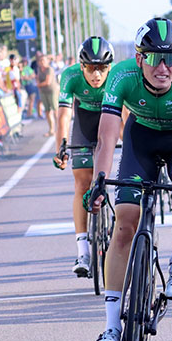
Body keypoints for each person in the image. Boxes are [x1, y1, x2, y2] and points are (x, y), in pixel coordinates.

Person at [88, 18, 172, 341]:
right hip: (140, 140)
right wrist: (98, 182)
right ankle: (112, 327)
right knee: (125, 223)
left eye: (171, 58)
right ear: (140, 57)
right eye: (154, 58)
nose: (163, 67)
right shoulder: (122, 76)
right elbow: (105, 137)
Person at [54, 37, 116, 277]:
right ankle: (83, 251)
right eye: (91, 68)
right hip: (83, 123)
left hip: (108, 120)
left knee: (107, 177)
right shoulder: (70, 76)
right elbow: (62, 116)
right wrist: (61, 146)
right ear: (82, 66)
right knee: (81, 183)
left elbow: (125, 116)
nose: (96, 74)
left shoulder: (117, 77)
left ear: (109, 67)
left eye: (101, 68)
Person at [36, 51, 60, 136]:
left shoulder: (49, 69)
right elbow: (38, 78)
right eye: (40, 60)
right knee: (47, 111)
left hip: (51, 91)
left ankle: (59, 129)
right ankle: (51, 130)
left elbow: (48, 82)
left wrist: (38, 84)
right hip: (43, 91)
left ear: (47, 61)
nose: (42, 62)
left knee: (55, 109)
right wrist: (38, 83)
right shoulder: (39, 69)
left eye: (43, 60)